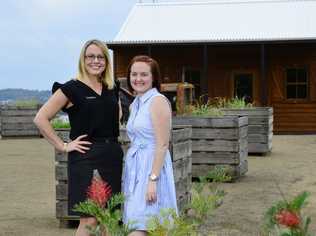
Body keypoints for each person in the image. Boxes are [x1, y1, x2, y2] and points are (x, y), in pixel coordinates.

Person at [34, 39, 123, 236]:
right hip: (85, 156)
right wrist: (63, 145)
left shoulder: (111, 87)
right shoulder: (71, 88)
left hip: (112, 155)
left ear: (106, 61)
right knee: (90, 218)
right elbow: (41, 118)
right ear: (83, 59)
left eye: (100, 57)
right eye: (90, 56)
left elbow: (116, 116)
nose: (95, 61)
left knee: (109, 216)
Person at [122, 55, 178, 235]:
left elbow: (162, 144)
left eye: (144, 74)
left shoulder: (158, 101)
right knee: (136, 222)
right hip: (135, 168)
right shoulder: (135, 103)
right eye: (134, 74)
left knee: (146, 225)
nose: (138, 79)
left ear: (153, 77)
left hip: (152, 167)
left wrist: (153, 180)